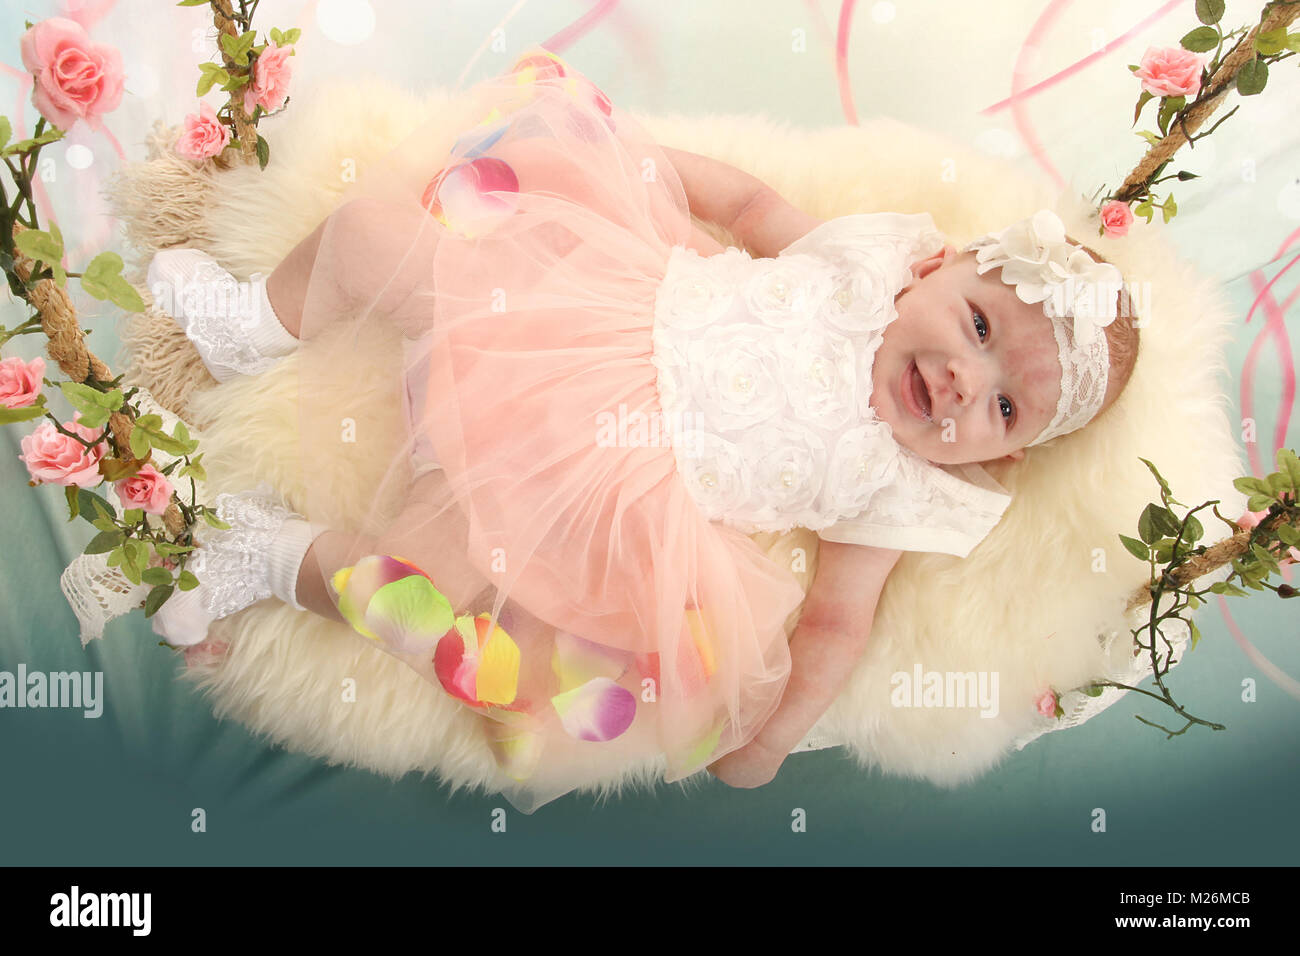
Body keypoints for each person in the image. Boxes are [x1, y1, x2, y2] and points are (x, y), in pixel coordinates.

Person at [143, 48, 1140, 813]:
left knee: (435, 608)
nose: (964, 381)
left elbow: (839, 621)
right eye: (976, 326)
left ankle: (268, 557)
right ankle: (256, 323)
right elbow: (743, 200)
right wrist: (635, 164)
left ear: (1001, 454)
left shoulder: (903, 489)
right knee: (370, 239)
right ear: (937, 268)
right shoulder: (863, 261)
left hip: (581, 492)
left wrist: (776, 732)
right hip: (567, 311)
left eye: (1004, 406)